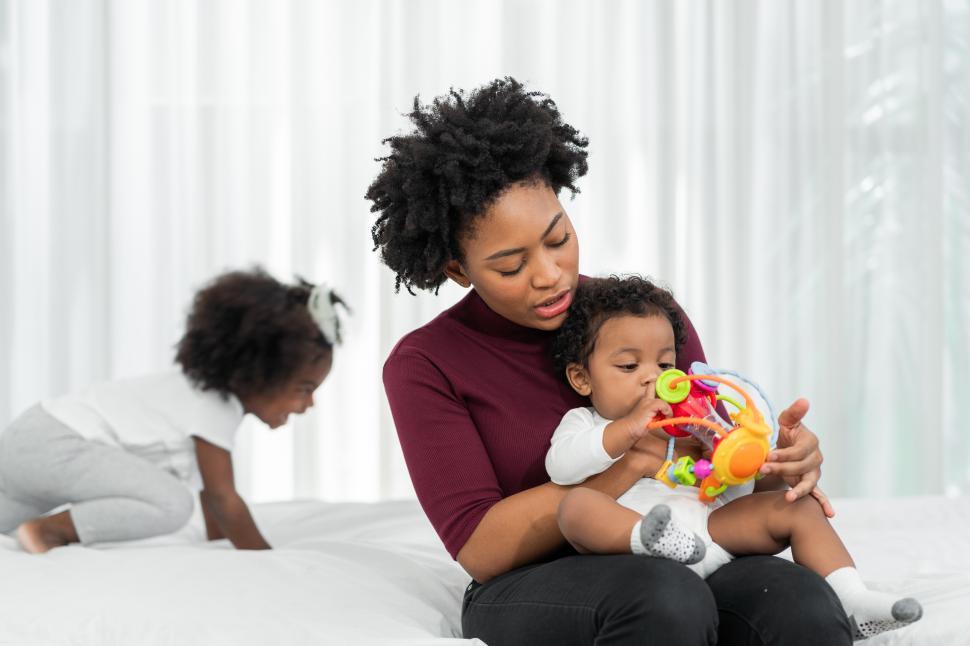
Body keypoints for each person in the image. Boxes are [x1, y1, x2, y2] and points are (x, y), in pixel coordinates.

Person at [368, 77, 852, 645]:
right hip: (533, 580)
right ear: (457, 270)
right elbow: (482, 549)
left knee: (798, 598)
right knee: (664, 598)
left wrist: (778, 467)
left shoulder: (644, 317)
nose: (549, 274)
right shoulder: (427, 363)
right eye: (510, 265)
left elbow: (708, 471)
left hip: (687, 546)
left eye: (559, 238)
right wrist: (629, 464)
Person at [547, 274, 922, 641]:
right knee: (576, 507)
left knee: (799, 506)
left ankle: (851, 598)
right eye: (629, 367)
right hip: (634, 549)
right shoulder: (586, 422)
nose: (652, 379)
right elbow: (561, 467)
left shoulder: (691, 423)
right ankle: (653, 540)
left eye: (664, 365)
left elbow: (739, 495)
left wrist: (727, 449)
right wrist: (627, 430)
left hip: (711, 534)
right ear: (582, 378)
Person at [0, 268, 345, 553]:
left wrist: (218, 544)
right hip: (58, 444)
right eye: (305, 389)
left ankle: (34, 527)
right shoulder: (214, 408)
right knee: (172, 504)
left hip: (29, 441)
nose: (308, 405)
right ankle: (48, 531)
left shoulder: (190, 399)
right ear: (259, 372)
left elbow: (211, 498)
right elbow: (222, 497)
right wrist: (266, 560)